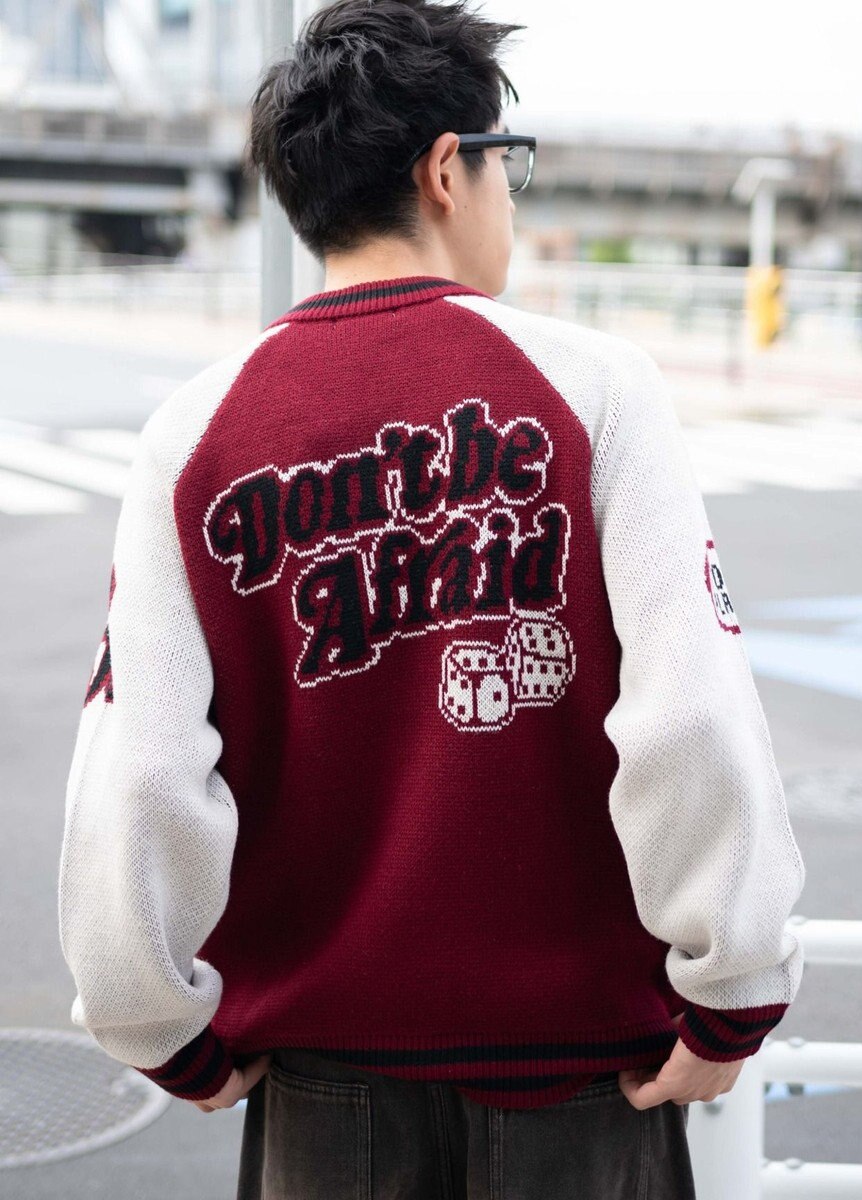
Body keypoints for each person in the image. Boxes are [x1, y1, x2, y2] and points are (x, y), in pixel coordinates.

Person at [57, 1, 807, 1196]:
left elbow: (138, 770)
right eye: (511, 164)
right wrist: (732, 986)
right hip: (580, 1075)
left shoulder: (194, 437)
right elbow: (689, 716)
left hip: (323, 1086)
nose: (513, 196)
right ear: (448, 169)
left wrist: (154, 1020)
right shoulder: (594, 391)